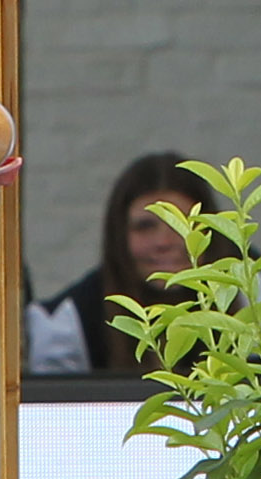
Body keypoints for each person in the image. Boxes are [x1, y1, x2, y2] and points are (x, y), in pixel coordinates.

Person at [27, 152, 240, 374]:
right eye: (145, 226)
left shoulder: (255, 296)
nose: (164, 241)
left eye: (183, 225)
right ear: (119, 236)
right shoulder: (70, 320)